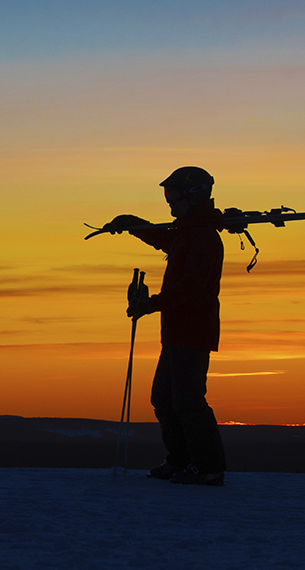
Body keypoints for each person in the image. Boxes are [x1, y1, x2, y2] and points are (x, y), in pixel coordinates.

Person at [102, 166, 227, 486]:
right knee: (164, 398)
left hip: (193, 331)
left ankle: (208, 466)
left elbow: (191, 288)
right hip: (175, 331)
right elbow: (165, 240)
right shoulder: (188, 232)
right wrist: (133, 224)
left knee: (188, 400)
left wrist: (150, 304)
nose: (168, 202)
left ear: (193, 195)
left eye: (172, 195)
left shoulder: (203, 238)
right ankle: (181, 460)